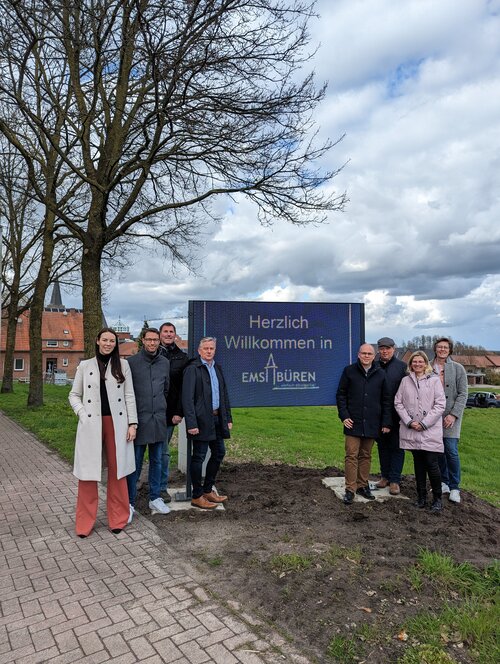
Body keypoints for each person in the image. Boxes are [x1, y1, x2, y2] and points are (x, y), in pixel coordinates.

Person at [69, 327, 138, 537]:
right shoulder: (85, 365)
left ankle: (118, 518)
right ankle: (84, 523)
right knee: (88, 474)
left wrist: (132, 424)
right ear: (97, 341)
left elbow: (129, 396)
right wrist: (82, 414)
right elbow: (74, 395)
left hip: (117, 424)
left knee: (118, 473)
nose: (109, 344)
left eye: (112, 341)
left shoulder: (123, 365)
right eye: (105, 340)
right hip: (91, 424)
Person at [336, 344, 392, 505]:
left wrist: (386, 421)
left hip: (372, 422)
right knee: (351, 455)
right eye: (364, 353)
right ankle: (350, 489)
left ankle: (362, 485)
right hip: (353, 422)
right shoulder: (349, 371)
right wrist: (344, 415)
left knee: (366, 455)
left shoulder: (381, 374)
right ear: (358, 355)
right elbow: (341, 395)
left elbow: (386, 399)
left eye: (369, 353)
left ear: (374, 356)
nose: (366, 356)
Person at [182, 336, 232, 509]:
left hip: (218, 419)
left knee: (219, 453)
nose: (209, 351)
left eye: (212, 348)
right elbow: (187, 399)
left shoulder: (217, 368)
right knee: (199, 457)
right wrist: (191, 423)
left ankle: (208, 490)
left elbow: (224, 395)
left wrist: (228, 419)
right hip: (201, 421)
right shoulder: (193, 369)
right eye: (206, 348)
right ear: (199, 350)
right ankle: (197, 496)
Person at [394, 351, 446, 512]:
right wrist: (409, 421)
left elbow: (440, 405)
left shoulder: (434, 381)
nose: (417, 364)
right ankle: (421, 497)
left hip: (429, 430)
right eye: (414, 362)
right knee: (418, 464)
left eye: (420, 361)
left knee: (431, 463)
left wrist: (424, 423)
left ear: (425, 363)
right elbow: (398, 402)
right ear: (410, 364)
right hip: (411, 429)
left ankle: (437, 499)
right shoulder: (405, 381)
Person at [127, 328, 170, 517]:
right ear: (142, 340)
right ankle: (129, 502)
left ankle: (155, 498)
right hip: (139, 420)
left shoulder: (164, 362)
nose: (152, 343)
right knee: (134, 462)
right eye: (149, 339)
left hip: (158, 420)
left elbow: (165, 389)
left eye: (155, 340)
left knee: (157, 460)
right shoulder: (131, 363)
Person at [432, 338, 468, 504]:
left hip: (450, 417)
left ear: (450, 350)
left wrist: (453, 414)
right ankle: (444, 482)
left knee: (451, 450)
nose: (442, 349)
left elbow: (463, 394)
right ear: (435, 349)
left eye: (445, 347)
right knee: (437, 450)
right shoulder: (428, 366)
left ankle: (455, 487)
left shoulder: (458, 369)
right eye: (439, 347)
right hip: (433, 416)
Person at [158, 322, 188, 502]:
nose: (168, 334)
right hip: (149, 412)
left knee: (163, 451)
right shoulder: (151, 354)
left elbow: (183, 388)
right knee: (144, 450)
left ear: (175, 335)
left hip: (169, 413)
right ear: (160, 334)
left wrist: (179, 412)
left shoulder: (181, 358)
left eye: (171, 332)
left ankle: (161, 488)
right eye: (165, 332)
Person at [374, 337, 407, 495]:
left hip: (397, 415)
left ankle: (395, 480)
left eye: (388, 348)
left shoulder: (402, 367)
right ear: (378, 350)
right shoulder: (374, 366)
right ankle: (384, 476)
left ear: (394, 349)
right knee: (382, 446)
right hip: (377, 414)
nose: (385, 351)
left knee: (397, 447)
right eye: (382, 348)